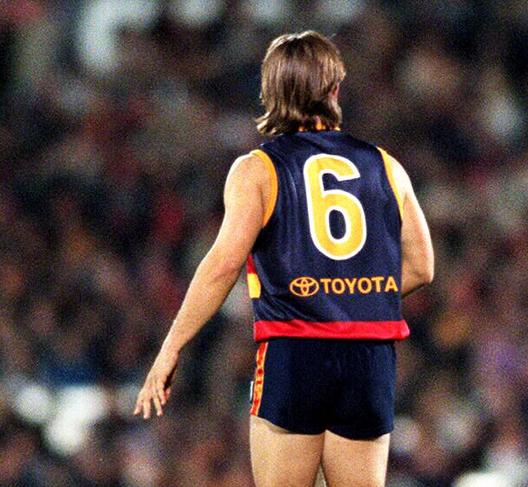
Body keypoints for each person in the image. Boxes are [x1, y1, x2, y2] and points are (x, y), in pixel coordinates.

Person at [133, 30, 434, 487]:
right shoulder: (387, 165)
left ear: (270, 92)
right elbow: (422, 266)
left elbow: (222, 264)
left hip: (295, 349)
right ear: (334, 90)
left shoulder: (257, 169)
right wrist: (357, 296)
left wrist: (171, 348)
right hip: (369, 356)